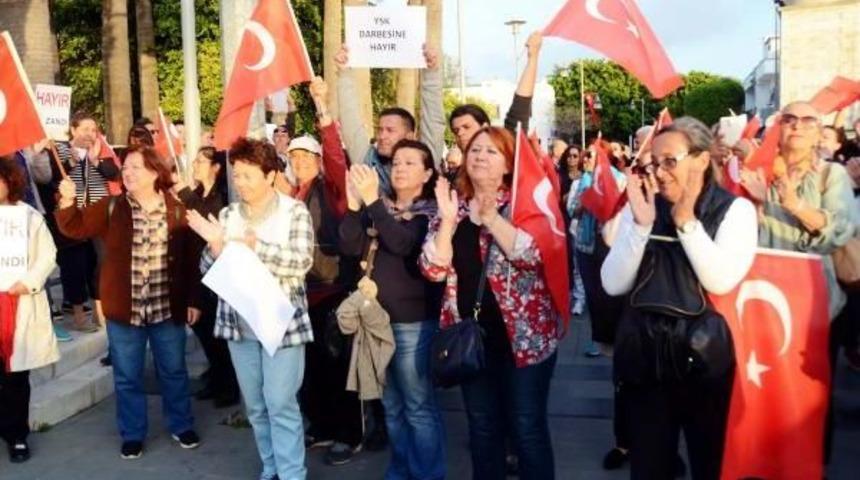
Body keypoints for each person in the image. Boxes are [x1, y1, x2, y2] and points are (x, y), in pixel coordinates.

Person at [602, 117, 758, 479]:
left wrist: (687, 222)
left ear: (702, 160)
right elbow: (612, 283)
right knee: (649, 467)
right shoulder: (642, 205)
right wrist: (640, 227)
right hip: (644, 359)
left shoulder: (734, 210)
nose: (659, 172)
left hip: (704, 361)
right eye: (653, 163)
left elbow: (720, 280)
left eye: (670, 161)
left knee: (710, 463)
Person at [421, 126, 560, 479]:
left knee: (527, 429)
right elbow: (433, 269)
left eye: (491, 151)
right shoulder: (451, 205)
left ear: (509, 165)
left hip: (525, 342)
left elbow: (534, 256)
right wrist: (449, 222)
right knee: (482, 429)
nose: (480, 156)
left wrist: (493, 219)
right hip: (471, 341)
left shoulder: (525, 203)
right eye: (475, 150)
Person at [54, 145, 200, 459]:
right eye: (126, 167)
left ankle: (181, 424)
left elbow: (190, 260)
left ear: (154, 172)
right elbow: (75, 227)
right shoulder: (111, 206)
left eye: (136, 167)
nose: (128, 173)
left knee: (173, 371)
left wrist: (192, 299)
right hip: (125, 310)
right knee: (126, 375)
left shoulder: (175, 208)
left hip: (166, 308)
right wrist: (67, 201)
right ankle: (133, 433)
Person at [189, 138, 314, 480]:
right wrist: (215, 245)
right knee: (256, 405)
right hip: (238, 324)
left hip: (281, 324)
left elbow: (301, 261)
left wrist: (256, 246)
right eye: (237, 175)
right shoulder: (228, 215)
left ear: (271, 175)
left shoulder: (294, 211)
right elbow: (206, 267)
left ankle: (292, 473)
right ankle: (270, 466)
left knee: (280, 403)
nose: (240, 182)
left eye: (248, 175)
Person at [741, 102, 857, 462]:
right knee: (764, 383)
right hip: (762, 297)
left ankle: (810, 463)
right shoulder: (757, 168)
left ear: (817, 129)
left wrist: (794, 204)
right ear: (779, 126)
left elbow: (838, 232)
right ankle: (765, 457)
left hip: (814, 302)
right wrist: (756, 206)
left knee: (813, 390)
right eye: (789, 119)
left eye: (808, 120)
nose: (798, 127)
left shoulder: (830, 175)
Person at [340, 140, 445, 480]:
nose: (399, 168)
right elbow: (348, 244)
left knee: (418, 408)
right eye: (396, 162)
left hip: (413, 324)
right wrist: (356, 206)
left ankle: (428, 474)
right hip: (376, 323)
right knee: (392, 407)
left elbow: (402, 243)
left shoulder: (431, 213)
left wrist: (372, 202)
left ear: (428, 172)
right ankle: (400, 470)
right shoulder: (380, 206)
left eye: (410, 163)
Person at [288, 77, 363, 466]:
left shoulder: (331, 187)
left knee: (338, 368)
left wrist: (322, 107)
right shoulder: (289, 193)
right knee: (312, 368)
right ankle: (321, 425)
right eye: (294, 157)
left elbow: (336, 156)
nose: (299, 163)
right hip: (300, 295)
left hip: (333, 290)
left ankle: (348, 434)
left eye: (306, 157)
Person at [0, 157, 61, 463]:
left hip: (16, 302)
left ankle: (16, 435)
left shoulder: (29, 217)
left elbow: (47, 254)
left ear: (10, 182)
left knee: (14, 377)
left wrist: (30, 281)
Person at [40, 112, 120, 333]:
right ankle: (78, 315)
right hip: (72, 216)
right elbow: (50, 176)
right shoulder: (59, 149)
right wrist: (72, 160)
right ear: (73, 130)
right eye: (85, 129)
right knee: (75, 265)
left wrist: (94, 160)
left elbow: (114, 173)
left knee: (99, 263)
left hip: (97, 216)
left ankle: (99, 311)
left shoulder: (98, 150)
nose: (90, 134)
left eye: (94, 130)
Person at [172, 147, 239, 408]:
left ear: (216, 167)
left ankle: (228, 386)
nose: (196, 165)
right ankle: (216, 378)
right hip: (197, 272)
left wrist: (183, 192)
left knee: (218, 335)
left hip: (218, 274)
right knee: (204, 332)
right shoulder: (198, 193)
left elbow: (206, 219)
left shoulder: (223, 196)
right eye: (195, 160)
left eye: (201, 161)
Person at [336, 43, 444, 196]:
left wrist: (431, 72)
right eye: (380, 130)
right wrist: (344, 73)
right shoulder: (367, 161)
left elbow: (433, 122)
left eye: (390, 130)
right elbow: (350, 122)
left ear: (409, 136)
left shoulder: (425, 158)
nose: (382, 136)